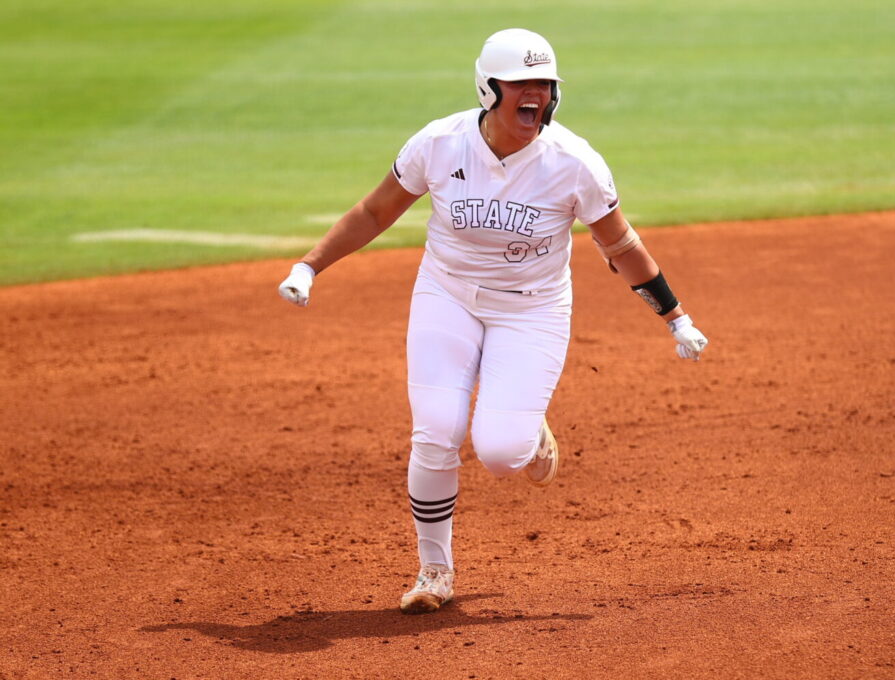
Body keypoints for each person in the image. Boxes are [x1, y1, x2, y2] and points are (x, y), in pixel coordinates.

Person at [277, 28, 708, 615]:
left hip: (532, 308)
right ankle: (435, 571)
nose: (536, 96)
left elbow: (620, 244)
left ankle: (529, 434)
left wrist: (674, 316)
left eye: (545, 85)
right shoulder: (441, 143)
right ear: (490, 89)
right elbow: (375, 210)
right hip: (446, 296)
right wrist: (310, 265)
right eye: (522, 85)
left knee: (501, 453)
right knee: (435, 432)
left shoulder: (573, 163)